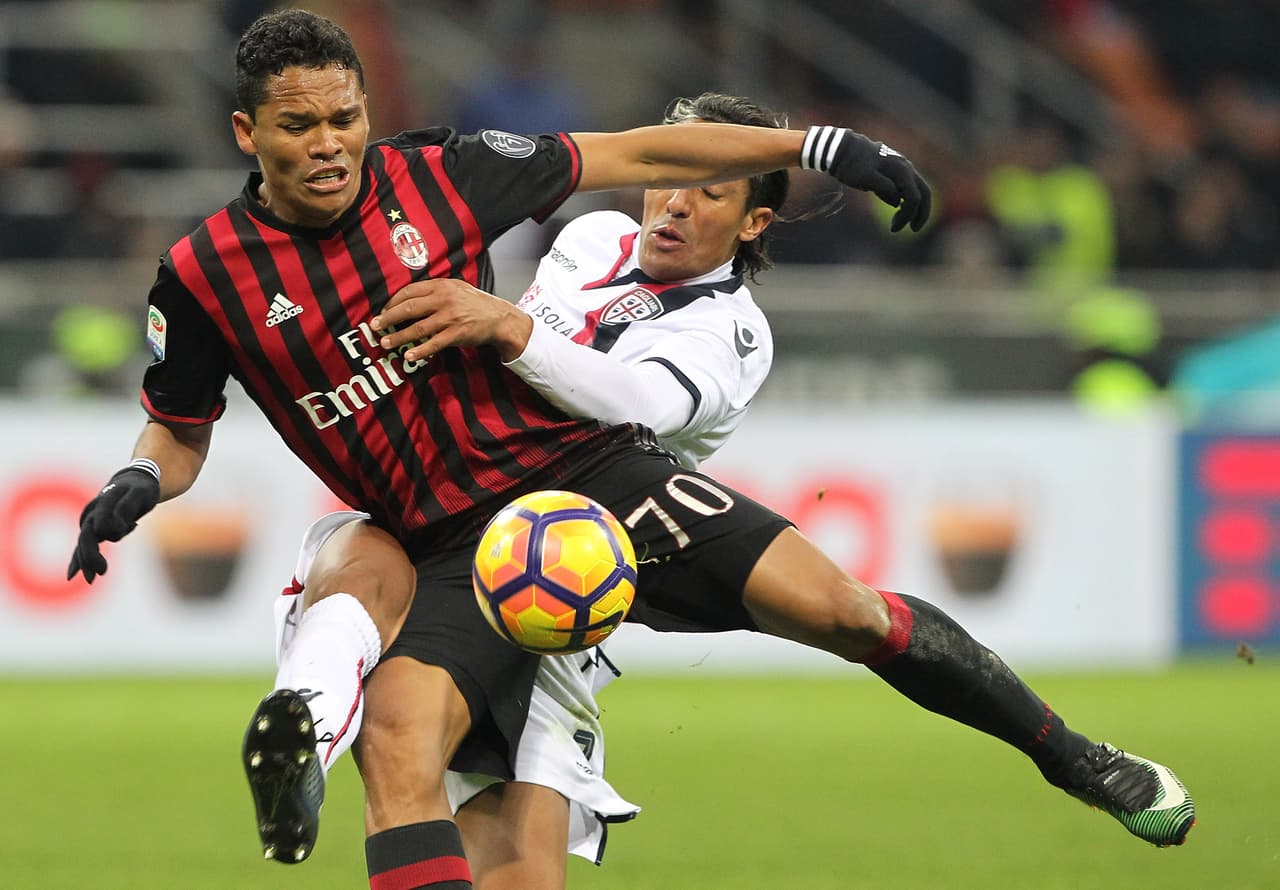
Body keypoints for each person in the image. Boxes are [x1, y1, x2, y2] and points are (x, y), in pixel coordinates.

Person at [64, 11, 1193, 890]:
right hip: (449, 541)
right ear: (246, 133)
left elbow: (641, 151)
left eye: (344, 119)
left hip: (592, 476)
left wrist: (819, 145)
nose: (328, 145)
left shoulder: (444, 176)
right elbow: (180, 427)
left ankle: (1075, 756)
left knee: (847, 610)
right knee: (401, 747)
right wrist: (139, 477)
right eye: (299, 126)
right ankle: (306, 739)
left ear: (367, 110)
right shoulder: (204, 275)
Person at [274, 90, 790, 888]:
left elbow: (634, 404)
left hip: (552, 571)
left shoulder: (733, 331)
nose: (675, 203)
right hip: (475, 529)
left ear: (754, 221)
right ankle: (306, 715)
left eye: (711, 191)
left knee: (494, 843)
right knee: (399, 734)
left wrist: (507, 327)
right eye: (668, 176)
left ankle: (310, 712)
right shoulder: (590, 237)